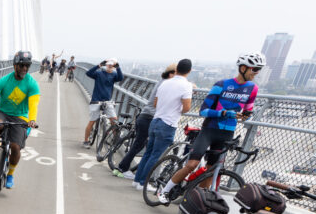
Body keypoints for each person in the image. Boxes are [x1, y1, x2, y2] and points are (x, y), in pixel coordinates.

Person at [158, 52, 263, 203]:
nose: (256, 73)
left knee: (211, 169)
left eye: (259, 70)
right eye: (254, 69)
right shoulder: (222, 85)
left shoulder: (252, 88)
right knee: (192, 164)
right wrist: (223, 113)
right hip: (210, 129)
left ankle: (198, 200)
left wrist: (245, 115)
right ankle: (164, 191)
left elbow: (248, 110)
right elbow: (203, 111)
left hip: (227, 133)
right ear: (243, 68)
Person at [131, 59, 193, 191]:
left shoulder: (164, 83)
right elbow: (187, 107)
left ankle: (137, 181)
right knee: (156, 156)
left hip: (155, 120)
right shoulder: (187, 85)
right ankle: (143, 183)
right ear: (189, 71)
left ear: (176, 70)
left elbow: (155, 103)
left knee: (148, 153)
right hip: (168, 123)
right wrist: (177, 109)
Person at [0, 50, 40, 189]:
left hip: (20, 117)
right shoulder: (4, 80)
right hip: (3, 112)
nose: (24, 69)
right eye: (22, 66)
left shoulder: (32, 84)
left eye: (27, 66)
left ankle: (10, 174)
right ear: (15, 66)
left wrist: (32, 119)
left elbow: (33, 104)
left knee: (15, 147)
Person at [111, 63, 175, 179]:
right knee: (139, 146)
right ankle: (123, 168)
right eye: (176, 75)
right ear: (171, 74)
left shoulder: (161, 82)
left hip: (144, 116)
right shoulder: (167, 84)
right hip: (150, 117)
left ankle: (121, 168)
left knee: (138, 145)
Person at [82, 59, 124, 147]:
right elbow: (88, 73)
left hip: (107, 101)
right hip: (96, 100)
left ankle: (115, 140)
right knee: (92, 121)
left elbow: (121, 78)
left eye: (112, 65)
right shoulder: (99, 73)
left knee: (114, 120)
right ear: (106, 65)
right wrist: (99, 65)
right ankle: (86, 140)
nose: (110, 66)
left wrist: (118, 68)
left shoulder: (114, 75)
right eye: (108, 65)